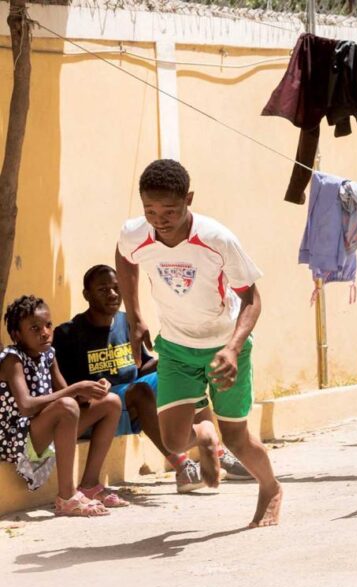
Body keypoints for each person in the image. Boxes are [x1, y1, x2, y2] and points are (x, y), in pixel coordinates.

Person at [115, 159, 282, 528]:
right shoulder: (135, 234)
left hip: (224, 347)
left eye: (169, 210)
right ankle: (204, 433)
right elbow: (124, 259)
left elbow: (252, 298)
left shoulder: (216, 239)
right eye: (150, 210)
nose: (159, 219)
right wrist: (135, 315)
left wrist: (234, 348)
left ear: (188, 199)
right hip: (175, 347)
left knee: (238, 439)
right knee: (175, 442)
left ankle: (270, 488)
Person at [53, 265, 254, 494]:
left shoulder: (127, 322)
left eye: (116, 288)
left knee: (180, 378)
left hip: (133, 400)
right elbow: (64, 388)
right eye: (103, 289)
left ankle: (218, 452)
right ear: (86, 295)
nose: (112, 295)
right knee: (140, 392)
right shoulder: (68, 333)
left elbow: (141, 368)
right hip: (99, 412)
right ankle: (183, 466)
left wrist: (168, 363)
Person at [1, 295, 128, 516]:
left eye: (48, 325)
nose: (45, 332)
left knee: (111, 402)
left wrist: (92, 390)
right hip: (15, 438)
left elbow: (72, 397)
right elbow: (26, 407)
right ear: (17, 335)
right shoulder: (12, 359)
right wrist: (75, 390)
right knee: (67, 405)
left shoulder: (49, 354)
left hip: (42, 432)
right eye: (34, 328)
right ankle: (67, 497)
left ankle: (89, 485)